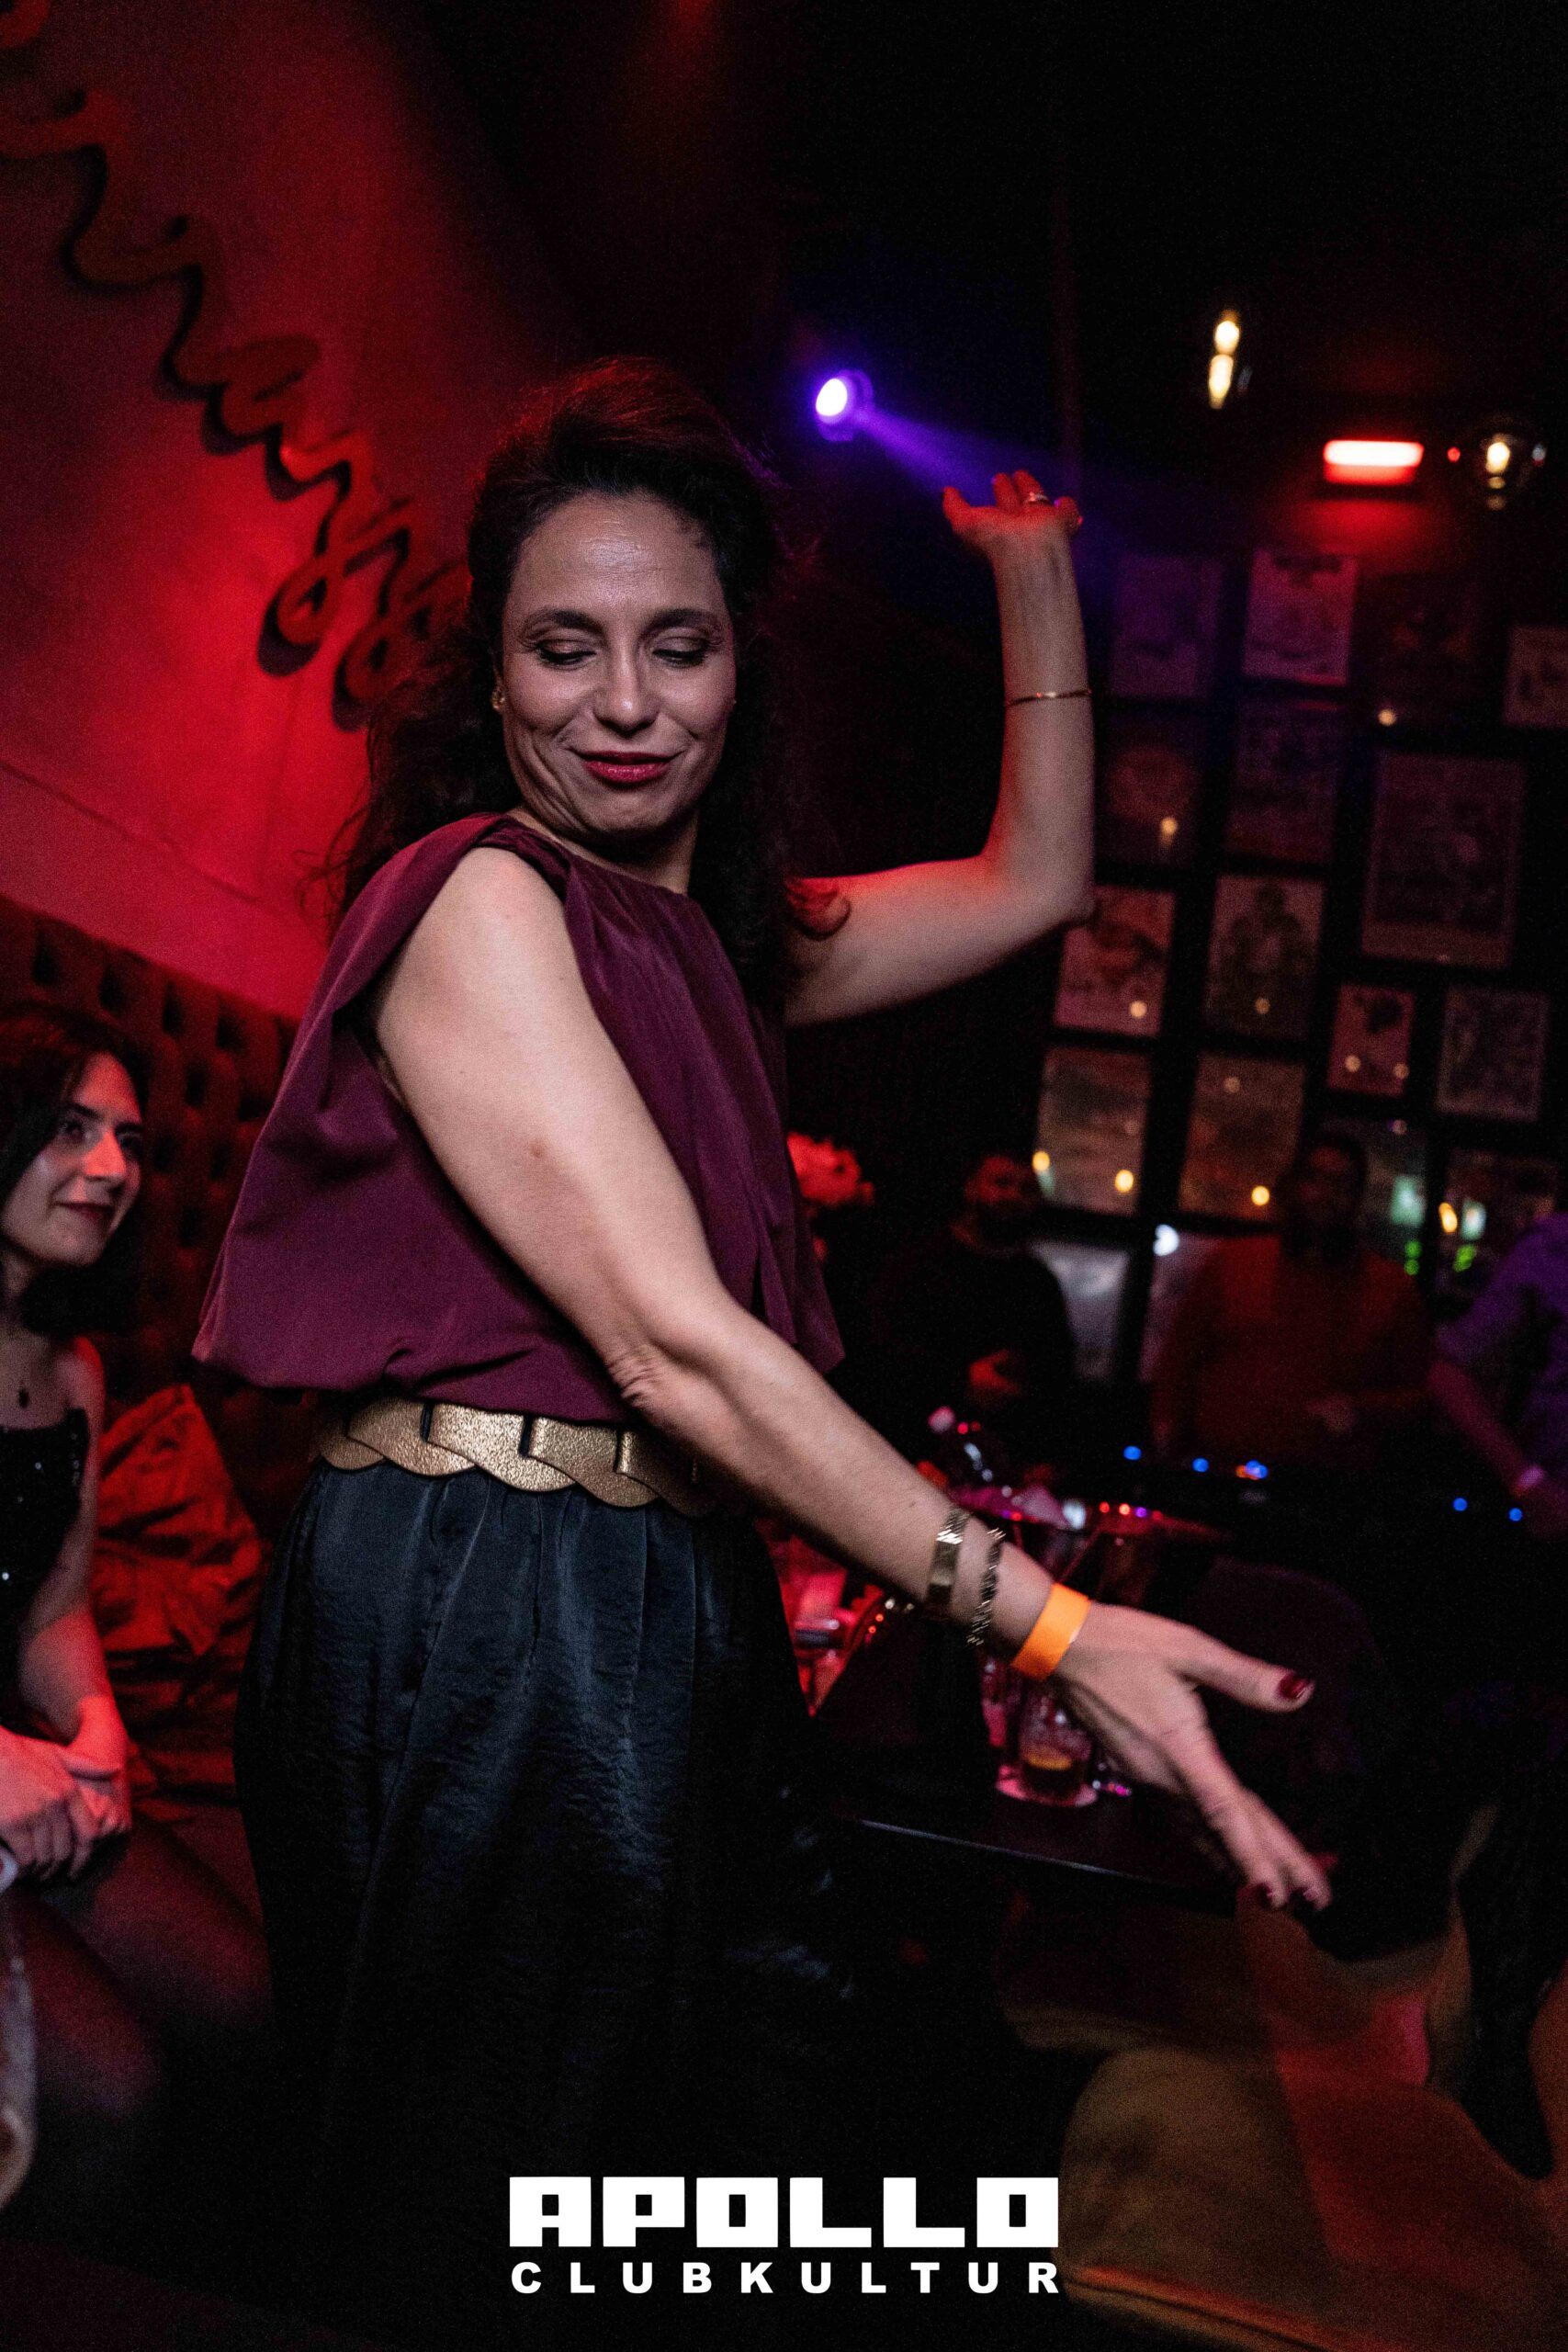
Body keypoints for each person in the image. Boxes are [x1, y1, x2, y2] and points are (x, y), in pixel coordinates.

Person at [194, 360, 1329, 2346]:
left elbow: (1036, 880)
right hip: (480, 1588)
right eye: (564, 647)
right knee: (494, 2213)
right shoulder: (475, 897)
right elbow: (672, 1345)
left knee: (737, 2167)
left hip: (662, 1587)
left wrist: (1033, 576)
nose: (623, 703)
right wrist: (1059, 1629)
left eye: (679, 645)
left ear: (742, 671)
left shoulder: (719, 945)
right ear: (490, 673)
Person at [0, 1005, 271, 2275]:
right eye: (71, 1128)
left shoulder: (73, 1369)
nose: (111, 1167)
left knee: (244, 2005)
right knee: (108, 2093)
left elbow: (52, 1603)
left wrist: (95, 1723)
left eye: (129, 1139)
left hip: (26, 1766)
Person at [1152, 1127, 1431, 1476]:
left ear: (1357, 1198)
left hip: (1325, 1484)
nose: (1324, 1195)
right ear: (1294, 1187)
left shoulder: (1391, 1288)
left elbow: (1421, 1394)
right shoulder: (1233, 1264)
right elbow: (1179, 1358)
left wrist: (1362, 1410)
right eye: (1315, 1179)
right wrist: (1165, 1434)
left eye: (1340, 1184)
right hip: (1219, 1470)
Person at [855, 1149, 1076, 1467]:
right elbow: (881, 1354)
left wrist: (1050, 1460)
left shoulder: (1039, 1283)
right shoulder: (918, 1265)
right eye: (1002, 1183)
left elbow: (1058, 1378)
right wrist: (960, 1380)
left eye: (1027, 1189)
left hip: (1006, 1464)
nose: (1014, 1196)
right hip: (918, 1457)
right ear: (971, 1187)